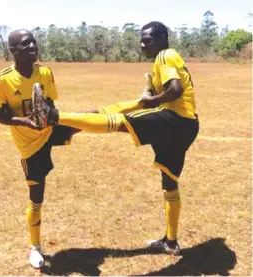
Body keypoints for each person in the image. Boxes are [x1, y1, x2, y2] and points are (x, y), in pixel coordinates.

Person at [36, 21, 199, 255]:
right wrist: (150, 96)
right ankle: (171, 241)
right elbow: (166, 91)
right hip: (187, 125)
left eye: (148, 39)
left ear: (163, 38)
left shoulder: (165, 55)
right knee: (169, 181)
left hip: (174, 119)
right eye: (141, 39)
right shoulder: (165, 59)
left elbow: (175, 90)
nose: (142, 44)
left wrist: (152, 100)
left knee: (121, 122)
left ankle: (55, 116)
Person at [0, 29, 75, 268]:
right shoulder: (2, 79)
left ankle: (131, 117)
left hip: (49, 130)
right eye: (26, 44)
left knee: (84, 120)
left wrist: (50, 117)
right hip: (29, 144)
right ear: (13, 50)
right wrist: (25, 122)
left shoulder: (45, 72)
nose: (33, 47)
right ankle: (35, 247)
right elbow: (0, 115)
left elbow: (51, 103)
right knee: (36, 196)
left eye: (34, 43)